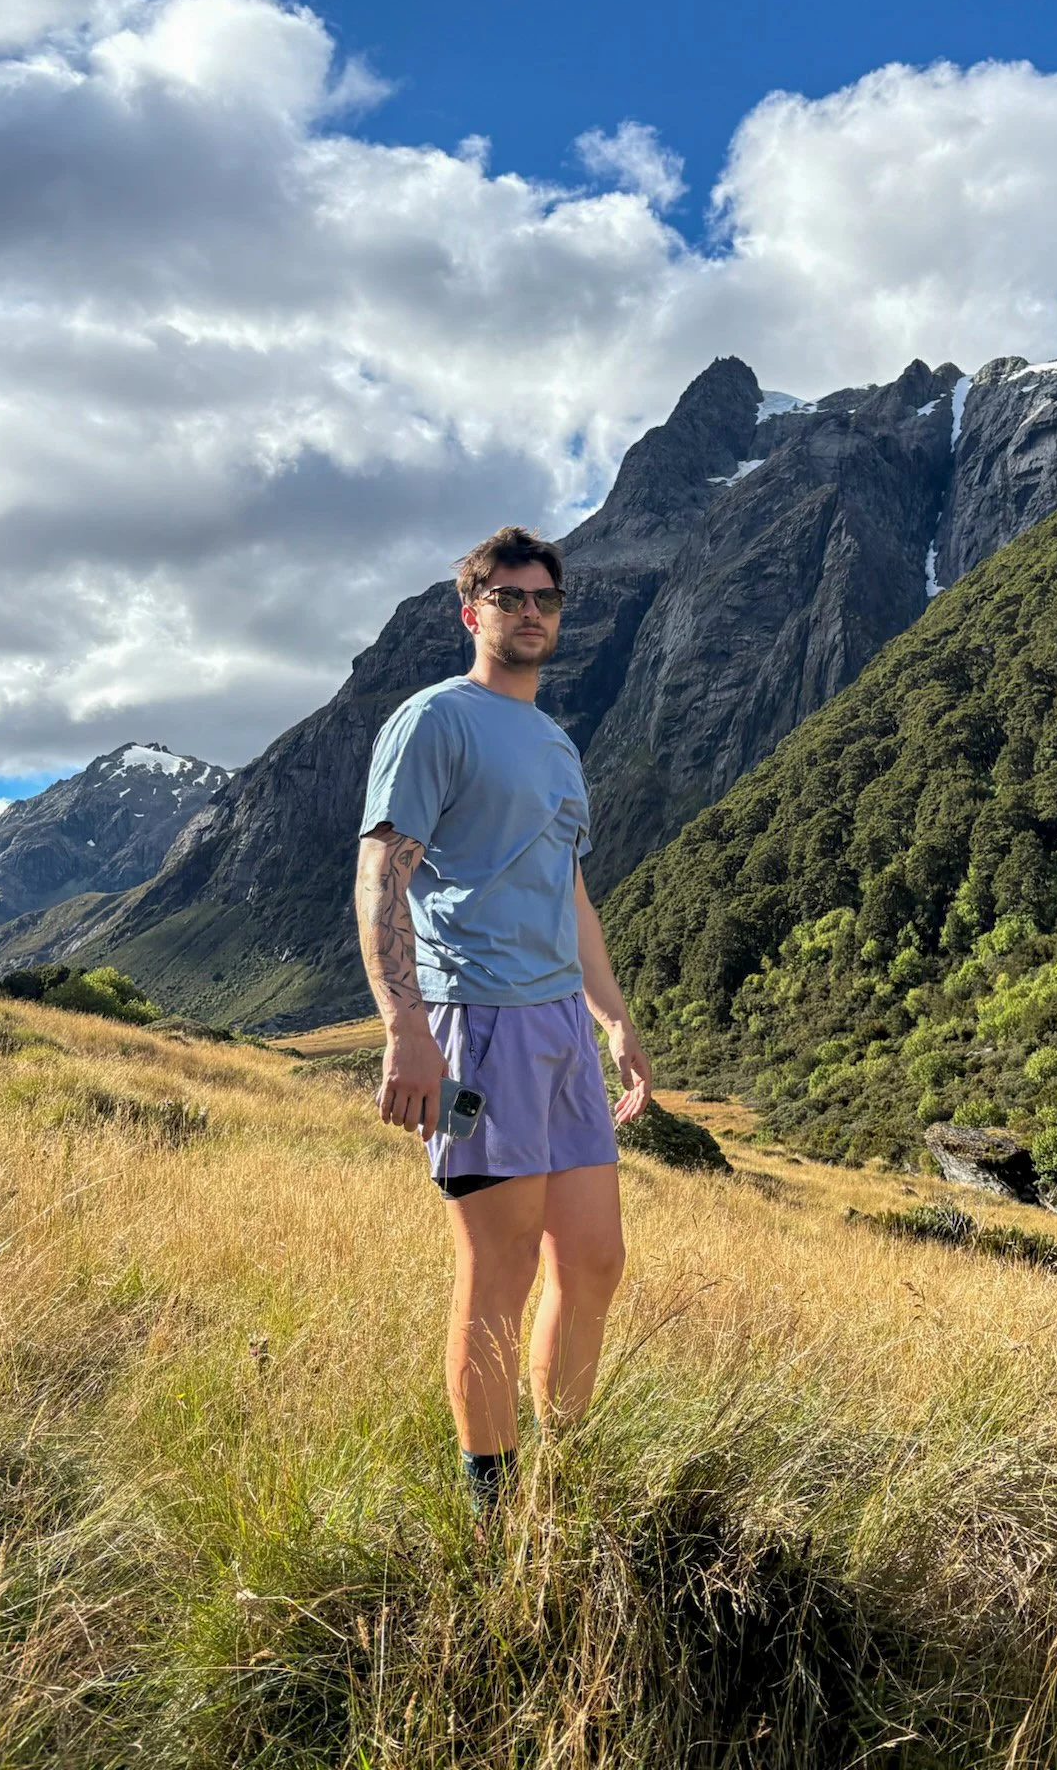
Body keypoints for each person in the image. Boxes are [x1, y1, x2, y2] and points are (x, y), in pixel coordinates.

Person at [354, 524, 652, 1522]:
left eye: (545, 599)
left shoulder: (557, 744)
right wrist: (405, 1024)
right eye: (508, 596)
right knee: (501, 1268)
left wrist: (614, 1021)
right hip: (477, 1022)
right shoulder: (437, 720)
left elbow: (572, 894)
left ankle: (556, 1473)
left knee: (595, 1257)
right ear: (470, 609)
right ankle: (494, 1507)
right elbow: (382, 874)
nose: (529, 612)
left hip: (562, 1026)